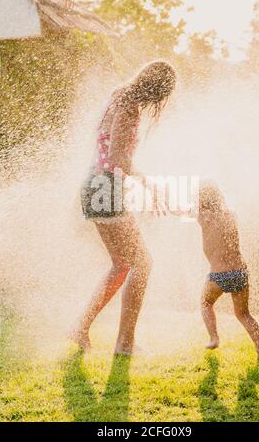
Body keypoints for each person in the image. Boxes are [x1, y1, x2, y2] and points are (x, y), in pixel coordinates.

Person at [73, 61, 176, 355]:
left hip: (95, 185)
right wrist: (150, 185)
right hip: (104, 186)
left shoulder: (119, 94)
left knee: (123, 265)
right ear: (158, 92)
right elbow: (118, 158)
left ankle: (80, 327)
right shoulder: (130, 107)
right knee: (142, 263)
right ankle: (125, 343)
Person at [198, 180, 259, 359]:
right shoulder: (231, 215)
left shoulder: (203, 217)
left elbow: (184, 210)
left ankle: (214, 338)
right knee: (244, 314)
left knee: (206, 302)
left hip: (218, 276)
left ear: (202, 201)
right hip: (239, 273)